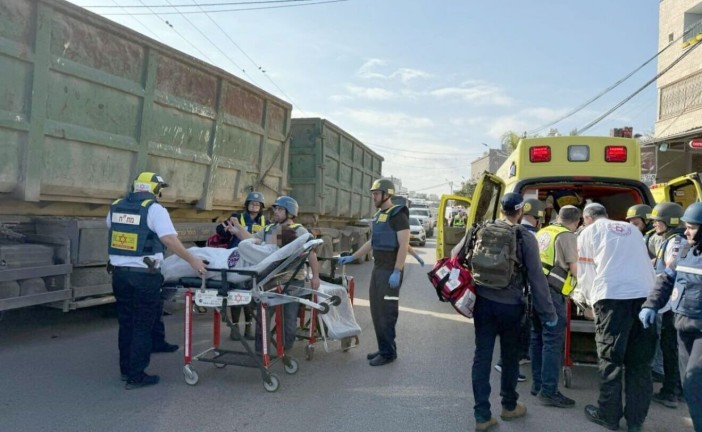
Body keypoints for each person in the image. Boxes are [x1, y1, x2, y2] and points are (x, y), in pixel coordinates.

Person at [450, 192, 557, 431]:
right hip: (511, 306)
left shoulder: (478, 229)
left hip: (483, 304)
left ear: (501, 211)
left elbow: (454, 257)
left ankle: (482, 415)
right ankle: (509, 406)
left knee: (482, 356)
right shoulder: (525, 238)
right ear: (520, 212)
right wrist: (549, 314)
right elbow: (537, 280)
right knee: (510, 357)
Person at [107, 172, 207, 389]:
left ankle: (126, 370)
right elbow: (169, 239)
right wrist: (192, 260)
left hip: (119, 274)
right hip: (144, 275)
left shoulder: (116, 206)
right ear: (154, 189)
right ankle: (136, 376)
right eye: (160, 189)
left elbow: (115, 230)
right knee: (143, 324)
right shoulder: (154, 209)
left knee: (126, 323)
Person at [576, 203, 657, 432]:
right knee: (640, 363)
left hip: (612, 298)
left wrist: (588, 303)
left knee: (611, 360)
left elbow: (586, 272)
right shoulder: (630, 229)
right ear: (607, 215)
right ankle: (635, 421)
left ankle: (608, 415)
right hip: (645, 297)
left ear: (587, 218)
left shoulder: (588, 233)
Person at [640, 201, 702, 432]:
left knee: (695, 382)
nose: (686, 232)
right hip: (683, 327)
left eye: (692, 227)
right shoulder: (686, 250)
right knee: (688, 385)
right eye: (686, 226)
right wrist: (651, 305)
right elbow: (666, 279)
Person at [337, 178, 410, 367]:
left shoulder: (398, 214)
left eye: (376, 194)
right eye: (373, 194)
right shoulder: (378, 215)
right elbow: (373, 242)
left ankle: (388, 353)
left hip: (390, 270)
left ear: (387, 194)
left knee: (387, 312)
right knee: (377, 311)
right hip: (378, 269)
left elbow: (403, 245)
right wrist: (352, 257)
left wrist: (397, 270)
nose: (374, 197)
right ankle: (384, 347)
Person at [236, 196, 321, 353]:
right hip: (269, 279)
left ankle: (285, 351)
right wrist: (237, 229)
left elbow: (311, 254)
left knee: (288, 319)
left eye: (280, 209)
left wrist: (315, 276)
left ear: (290, 212)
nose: (276, 211)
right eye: (275, 208)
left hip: (293, 281)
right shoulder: (269, 228)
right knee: (263, 317)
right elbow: (251, 241)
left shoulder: (298, 230)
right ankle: (262, 353)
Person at [531, 205, 580, 408]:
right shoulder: (567, 236)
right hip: (553, 294)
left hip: (536, 290)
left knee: (537, 337)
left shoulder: (542, 232)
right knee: (552, 340)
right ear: (577, 222)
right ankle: (549, 391)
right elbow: (575, 269)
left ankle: (538, 384)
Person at [648, 202, 686, 408]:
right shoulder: (670, 239)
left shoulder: (675, 241)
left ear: (670, 221)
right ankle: (676, 389)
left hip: (671, 304)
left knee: (671, 348)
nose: (654, 224)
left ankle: (671, 391)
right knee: (672, 348)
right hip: (671, 302)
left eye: (657, 220)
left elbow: (671, 269)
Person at [216, 191, 267, 341]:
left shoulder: (266, 222)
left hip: (253, 262)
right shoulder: (236, 217)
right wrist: (225, 230)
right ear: (247, 205)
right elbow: (219, 229)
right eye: (252, 203)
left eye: (257, 204)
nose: (254, 206)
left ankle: (248, 328)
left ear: (261, 207)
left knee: (250, 297)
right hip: (236, 259)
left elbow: (271, 237)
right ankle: (235, 328)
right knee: (235, 295)